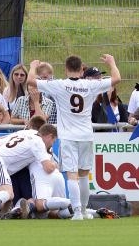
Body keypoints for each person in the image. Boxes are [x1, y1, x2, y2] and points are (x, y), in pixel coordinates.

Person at [28, 54, 121, 221]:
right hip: (86, 135)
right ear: (81, 69)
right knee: (84, 175)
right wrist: (112, 63)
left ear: (65, 69)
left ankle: (77, 212)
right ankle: (84, 210)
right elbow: (116, 78)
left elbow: (31, 81)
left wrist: (33, 66)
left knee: (72, 175)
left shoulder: (59, 85)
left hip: (68, 136)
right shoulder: (90, 85)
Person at [0, 124, 58, 220]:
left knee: (6, 198)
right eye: (53, 141)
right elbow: (48, 168)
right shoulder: (39, 142)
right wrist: (55, 164)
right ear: (50, 136)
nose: (52, 145)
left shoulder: (27, 133)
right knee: (7, 193)